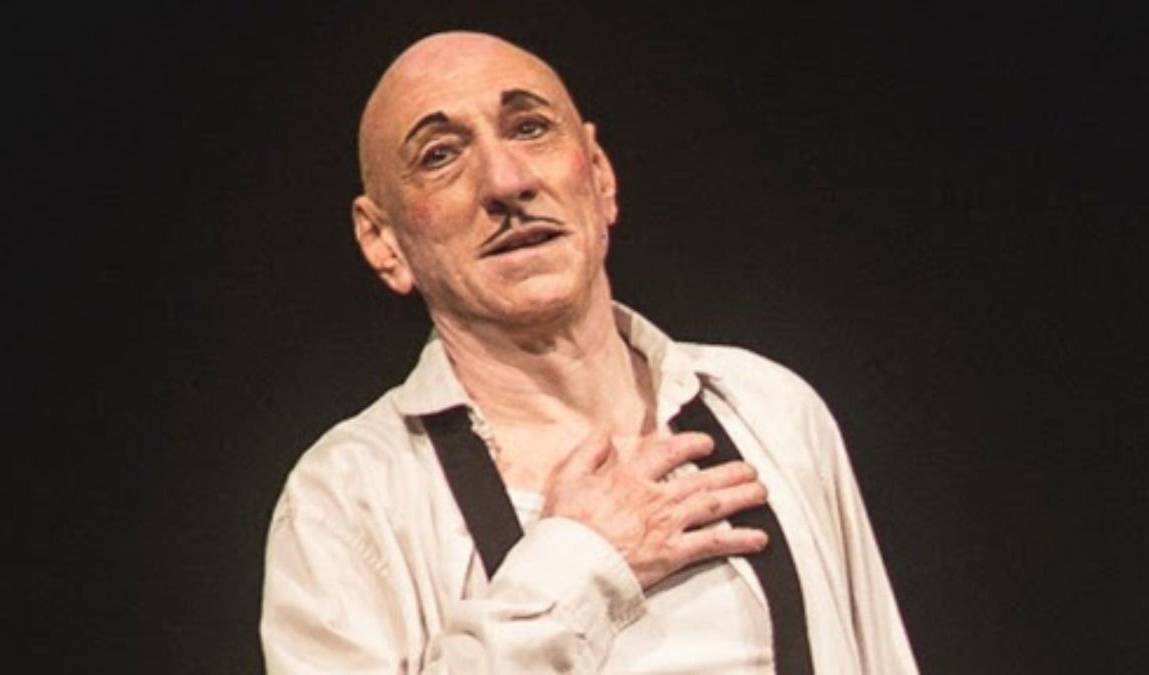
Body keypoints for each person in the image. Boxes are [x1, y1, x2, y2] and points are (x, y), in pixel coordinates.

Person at [260, 30, 918, 675]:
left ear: (600, 175)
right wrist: (579, 564)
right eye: (440, 156)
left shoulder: (769, 408)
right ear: (383, 241)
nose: (506, 181)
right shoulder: (348, 499)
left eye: (529, 128)